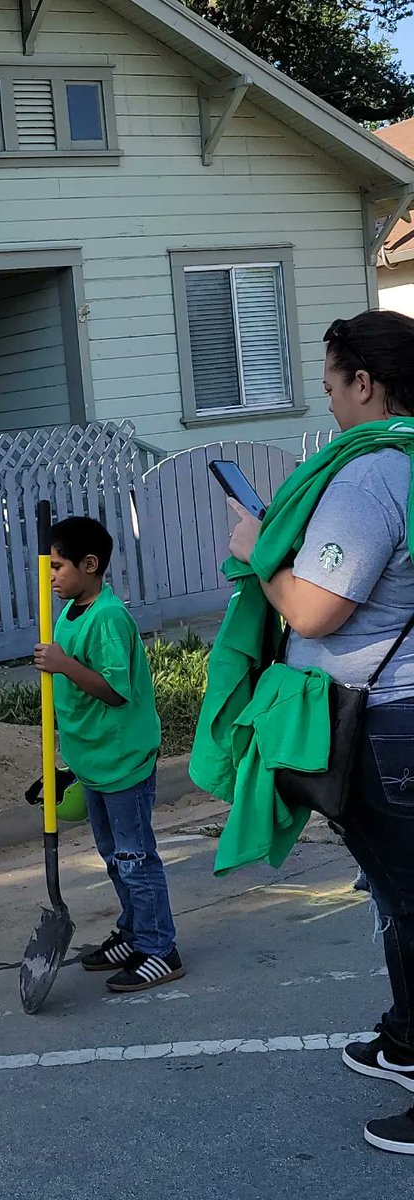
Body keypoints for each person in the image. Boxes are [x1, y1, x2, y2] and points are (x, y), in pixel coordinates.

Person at [223, 311, 414, 1155]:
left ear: (363, 384)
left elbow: (314, 606)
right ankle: (406, 1040)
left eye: (332, 381)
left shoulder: (375, 472)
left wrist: (262, 549)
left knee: (411, 904)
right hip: (394, 719)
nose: (329, 400)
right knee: (396, 898)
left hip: (388, 727)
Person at [32, 516, 183, 992]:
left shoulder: (109, 619)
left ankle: (161, 948)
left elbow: (116, 691)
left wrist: (63, 665)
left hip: (123, 761)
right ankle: (135, 931)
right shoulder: (71, 611)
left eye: (57, 567)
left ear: (90, 565)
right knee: (113, 854)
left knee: (136, 856)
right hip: (93, 760)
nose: (50, 577)